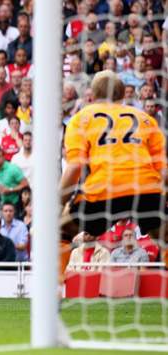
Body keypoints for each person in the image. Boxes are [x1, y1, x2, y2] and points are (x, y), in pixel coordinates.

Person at [61, 71, 167, 244]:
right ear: (123, 94)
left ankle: (55, 272)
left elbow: (74, 168)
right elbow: (163, 171)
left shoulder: (81, 118)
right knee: (164, 237)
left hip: (104, 189)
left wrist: (58, 203)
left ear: (93, 95)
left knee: (61, 233)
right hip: (146, 189)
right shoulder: (146, 119)